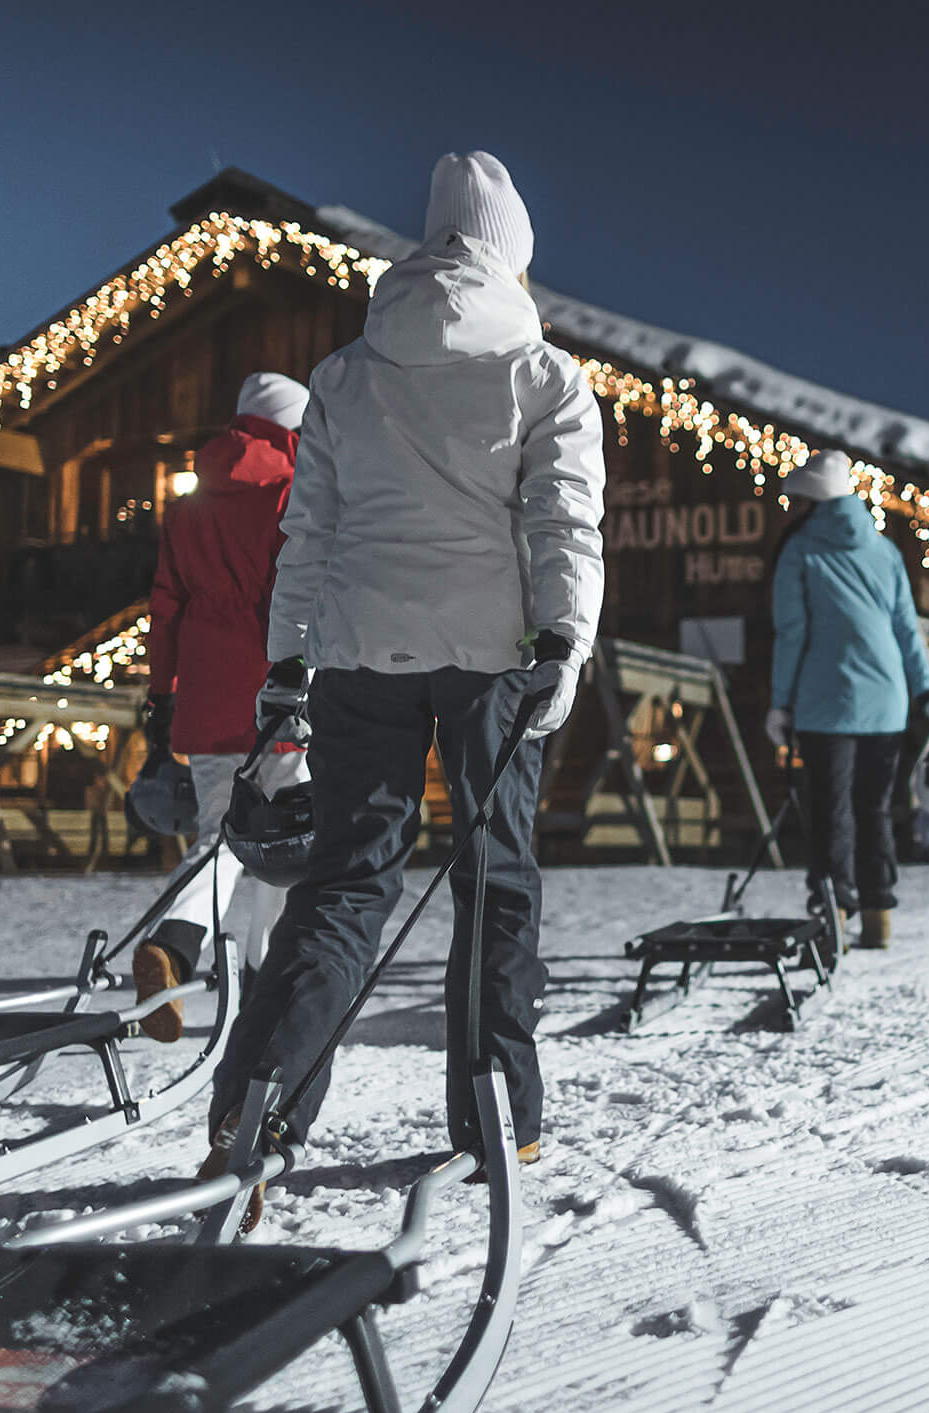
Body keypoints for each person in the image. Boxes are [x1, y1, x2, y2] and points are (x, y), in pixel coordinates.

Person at [203, 152, 605, 1224]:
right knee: (494, 881)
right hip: (492, 663)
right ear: (512, 255)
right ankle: (495, 1115)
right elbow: (562, 522)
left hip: (358, 658)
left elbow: (310, 534)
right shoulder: (545, 377)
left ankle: (259, 1103)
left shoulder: (343, 376)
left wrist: (288, 662)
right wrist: (563, 643)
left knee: (344, 883)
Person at [132, 372, 313, 1040]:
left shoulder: (189, 506)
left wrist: (163, 694)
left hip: (206, 700)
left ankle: (184, 945)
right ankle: (254, 975)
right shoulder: (291, 495)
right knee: (287, 841)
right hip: (277, 693)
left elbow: (165, 610)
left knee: (222, 835)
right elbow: (305, 596)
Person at [766, 449, 929, 950]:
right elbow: (907, 632)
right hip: (887, 703)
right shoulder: (886, 551)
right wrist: (927, 694)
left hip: (825, 702)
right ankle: (879, 917)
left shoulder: (799, 551)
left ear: (810, 500)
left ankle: (833, 913)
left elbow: (792, 633)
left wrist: (780, 703)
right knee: (875, 809)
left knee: (830, 809)